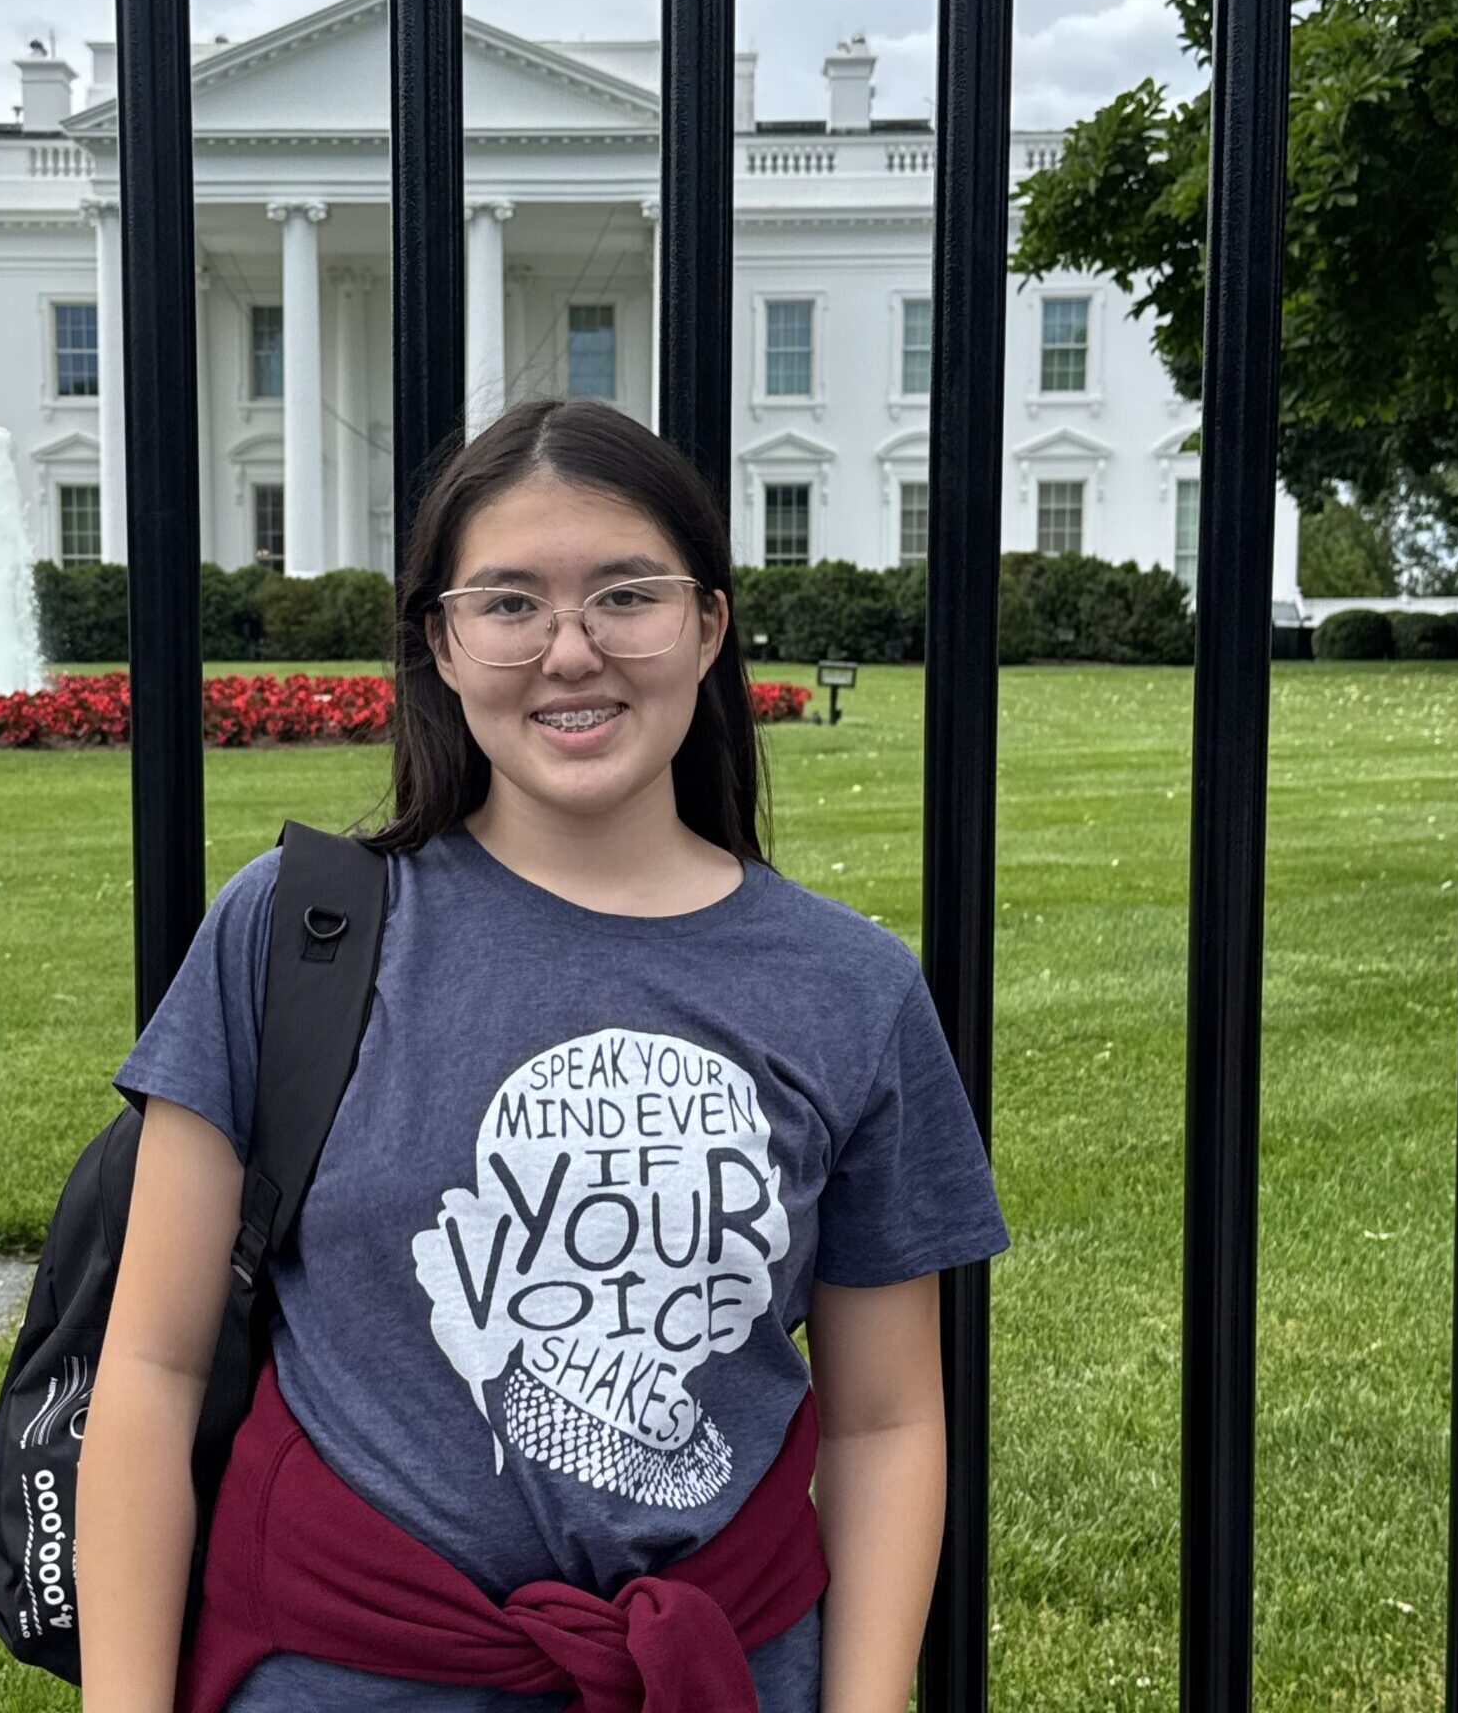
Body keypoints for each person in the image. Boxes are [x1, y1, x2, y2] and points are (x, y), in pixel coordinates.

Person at [76, 397, 1010, 1712]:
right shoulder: (299, 935)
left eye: (627, 594)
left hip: (715, 1672)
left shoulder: (850, 988)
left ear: (709, 625)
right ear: (443, 645)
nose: (571, 651)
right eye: (508, 603)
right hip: (341, 1673)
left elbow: (887, 1419)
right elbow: (155, 1370)